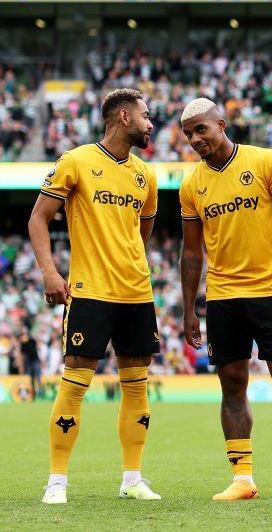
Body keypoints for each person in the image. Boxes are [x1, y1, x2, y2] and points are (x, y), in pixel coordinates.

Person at [178, 98, 272, 502]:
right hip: (224, 297)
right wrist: (189, 307)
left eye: (201, 129)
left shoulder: (263, 161)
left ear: (221, 124)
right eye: (188, 134)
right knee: (231, 386)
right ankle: (242, 479)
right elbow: (191, 252)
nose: (195, 139)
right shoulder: (191, 185)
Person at [27, 88, 160, 504]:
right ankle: (57, 481)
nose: (150, 123)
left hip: (137, 293)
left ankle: (132, 478)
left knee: (137, 387)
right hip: (90, 292)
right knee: (75, 384)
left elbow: (144, 233)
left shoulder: (146, 175)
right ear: (123, 117)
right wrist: (50, 272)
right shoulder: (76, 161)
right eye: (145, 115)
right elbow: (38, 219)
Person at [19, 330, 43, 401]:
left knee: (38, 378)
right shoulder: (23, 344)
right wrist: (22, 365)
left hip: (35, 361)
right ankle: (34, 395)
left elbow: (38, 344)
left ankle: (41, 394)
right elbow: (23, 355)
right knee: (32, 379)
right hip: (29, 363)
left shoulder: (32, 341)